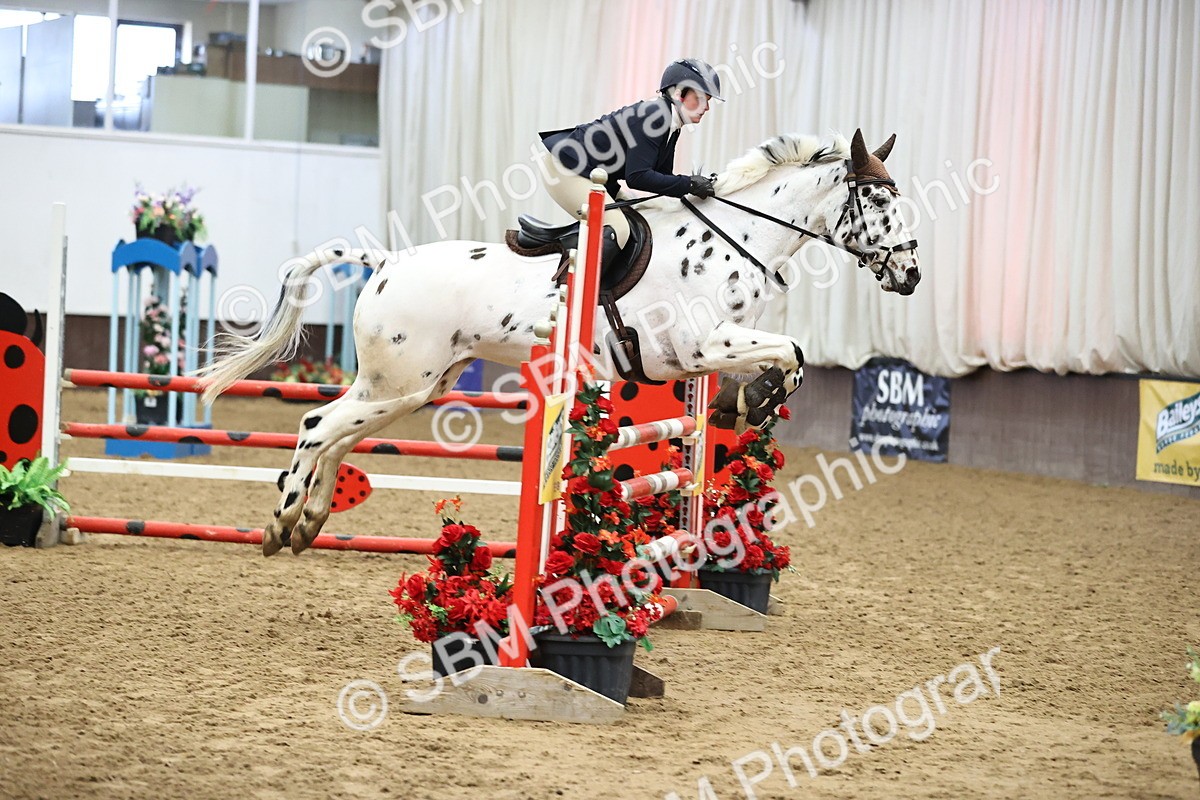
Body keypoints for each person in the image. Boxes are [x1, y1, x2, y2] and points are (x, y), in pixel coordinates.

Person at [537, 58, 722, 267]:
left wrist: (695, 186)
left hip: (593, 175)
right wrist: (689, 184)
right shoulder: (656, 116)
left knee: (640, 216)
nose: (707, 107)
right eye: (700, 99)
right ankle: (573, 282)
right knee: (618, 228)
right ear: (679, 94)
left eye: (708, 101)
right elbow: (638, 177)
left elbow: (662, 177)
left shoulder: (671, 123)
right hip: (565, 168)